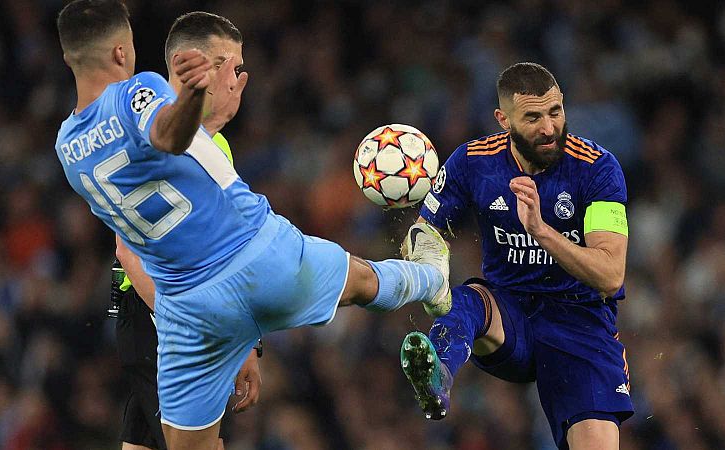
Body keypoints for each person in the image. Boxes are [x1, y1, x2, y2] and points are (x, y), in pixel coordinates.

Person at [54, 2, 451, 449]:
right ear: (122, 52)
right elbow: (167, 136)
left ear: (68, 57)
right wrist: (190, 97)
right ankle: (432, 278)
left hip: (189, 310)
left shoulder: (67, 147)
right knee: (363, 282)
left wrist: (205, 118)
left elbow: (155, 173)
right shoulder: (137, 91)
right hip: (257, 255)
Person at [400, 62, 632, 450]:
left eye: (555, 112)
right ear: (503, 120)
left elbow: (610, 275)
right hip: (510, 315)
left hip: (580, 323)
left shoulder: (597, 168)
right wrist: (425, 263)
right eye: (533, 117)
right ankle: (437, 373)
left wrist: (542, 231)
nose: (549, 128)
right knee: (468, 300)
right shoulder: (473, 161)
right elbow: (425, 233)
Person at [111, 12, 260, 450]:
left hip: (166, 314)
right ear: (197, 67)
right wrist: (191, 329)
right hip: (160, 313)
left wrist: (247, 342)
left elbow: (226, 254)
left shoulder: (215, 144)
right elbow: (127, 250)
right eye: (232, 67)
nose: (240, 80)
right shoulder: (149, 136)